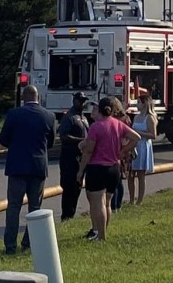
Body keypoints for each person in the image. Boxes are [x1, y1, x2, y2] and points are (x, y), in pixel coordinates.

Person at [0, 84, 56, 255]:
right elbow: (51, 142)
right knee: (35, 207)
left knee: (14, 206)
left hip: (17, 166)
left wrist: (16, 147)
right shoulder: (49, 116)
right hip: (38, 167)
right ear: (38, 97)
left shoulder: (14, 114)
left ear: (24, 97)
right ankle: (29, 242)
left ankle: (10, 246)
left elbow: (3, 139)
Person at [77, 96, 140, 242]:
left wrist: (80, 170)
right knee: (107, 203)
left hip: (97, 168)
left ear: (100, 110)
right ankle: (103, 232)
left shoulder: (96, 127)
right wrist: (123, 151)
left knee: (98, 203)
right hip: (114, 168)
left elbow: (89, 151)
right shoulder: (118, 124)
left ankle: (101, 237)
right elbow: (136, 137)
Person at [58, 92, 89, 222]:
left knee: (77, 187)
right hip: (69, 158)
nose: (82, 103)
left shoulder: (84, 118)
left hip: (80, 158)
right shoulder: (69, 117)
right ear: (74, 101)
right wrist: (81, 140)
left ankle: (72, 214)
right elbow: (63, 136)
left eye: (84, 101)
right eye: (80, 100)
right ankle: (66, 216)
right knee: (69, 187)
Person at [127, 90, 158, 206]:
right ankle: (131, 200)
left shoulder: (150, 118)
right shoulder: (136, 117)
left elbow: (153, 135)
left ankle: (139, 200)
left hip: (144, 146)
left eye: (139, 102)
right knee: (131, 174)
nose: (137, 105)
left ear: (144, 104)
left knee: (140, 175)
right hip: (134, 146)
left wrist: (138, 133)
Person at [109, 98, 132, 212]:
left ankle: (115, 205)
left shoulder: (122, 120)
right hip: (119, 150)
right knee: (118, 180)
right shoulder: (123, 118)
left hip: (120, 151)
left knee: (117, 181)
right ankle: (117, 205)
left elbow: (127, 137)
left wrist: (123, 151)